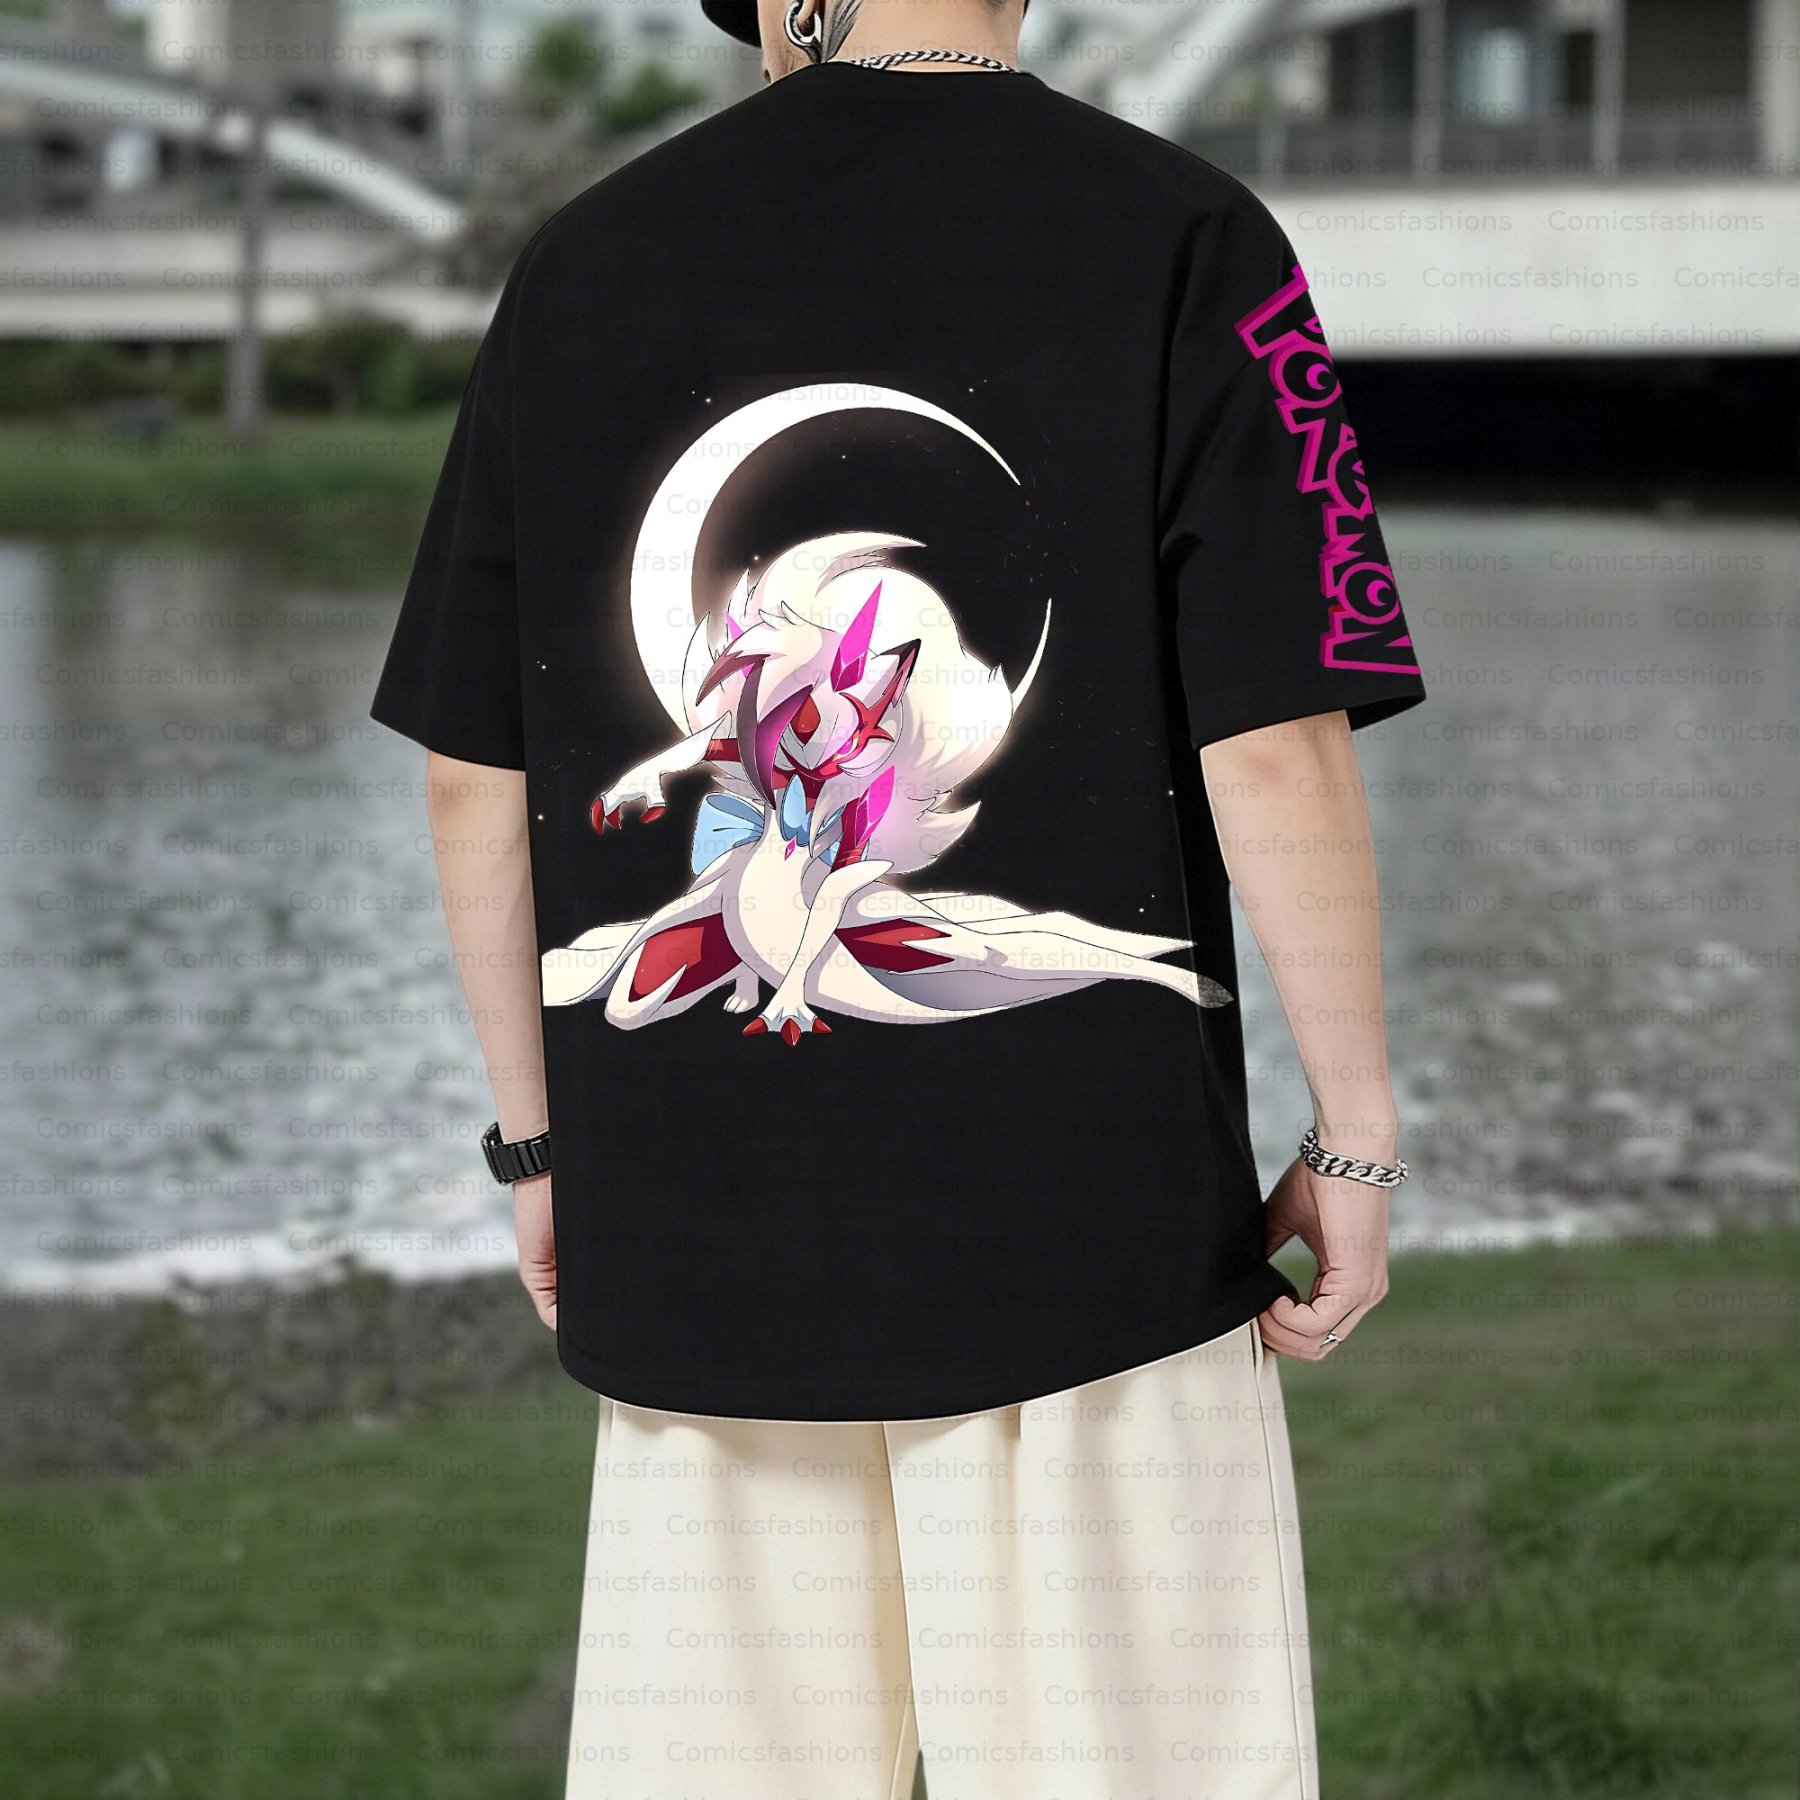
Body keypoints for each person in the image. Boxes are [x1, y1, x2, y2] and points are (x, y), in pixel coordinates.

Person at [371, 1, 1426, 1794]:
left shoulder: (583, 263)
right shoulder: (1189, 234)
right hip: (1095, 1256)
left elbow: (474, 775)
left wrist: (543, 1150)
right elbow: (1274, 745)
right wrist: (1360, 1135)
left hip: (700, 1263)